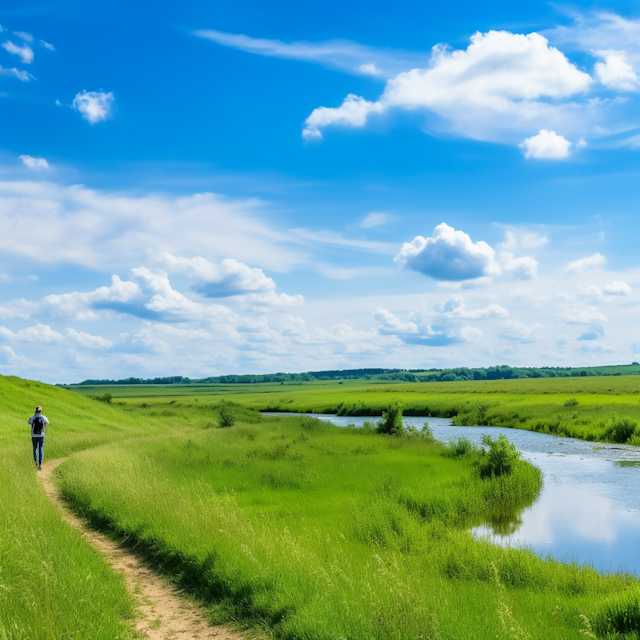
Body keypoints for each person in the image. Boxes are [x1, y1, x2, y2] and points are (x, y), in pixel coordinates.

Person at [28, 406, 49, 471]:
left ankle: (36, 463)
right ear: (41, 411)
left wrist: (35, 415)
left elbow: (29, 422)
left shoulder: (33, 417)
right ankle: (40, 464)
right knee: (41, 448)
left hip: (34, 435)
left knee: (35, 448)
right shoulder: (44, 417)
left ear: (36, 410)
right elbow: (47, 422)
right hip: (42, 435)